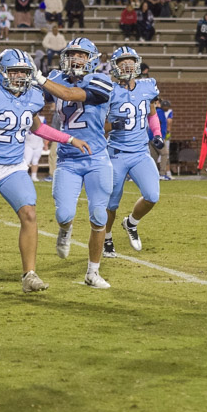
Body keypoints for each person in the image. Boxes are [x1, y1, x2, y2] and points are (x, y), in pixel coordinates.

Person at [0, 49, 89, 294]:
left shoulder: (33, 96)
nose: (19, 77)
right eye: (14, 71)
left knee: (29, 214)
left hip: (13, 167)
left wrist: (69, 139)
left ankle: (29, 275)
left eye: (23, 72)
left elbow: (38, 128)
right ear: (1, 72)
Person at [39, 38, 122, 288]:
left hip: (97, 158)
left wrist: (40, 78)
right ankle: (65, 230)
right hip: (68, 159)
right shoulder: (56, 77)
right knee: (64, 214)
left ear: (92, 59)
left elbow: (67, 94)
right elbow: (34, 101)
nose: (76, 59)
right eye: (72, 54)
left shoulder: (101, 81)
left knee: (98, 216)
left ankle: (92, 272)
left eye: (81, 55)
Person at [102, 47, 163, 257]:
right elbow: (98, 126)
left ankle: (131, 223)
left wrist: (157, 133)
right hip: (117, 152)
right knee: (111, 203)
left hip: (140, 152)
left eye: (130, 61)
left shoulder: (148, 86)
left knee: (152, 195)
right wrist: (112, 126)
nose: (127, 65)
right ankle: (107, 236)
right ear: (115, 66)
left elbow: (152, 114)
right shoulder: (108, 90)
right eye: (122, 62)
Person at [156, 99, 173, 180]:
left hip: (152, 137)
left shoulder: (158, 111)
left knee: (153, 156)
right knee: (165, 153)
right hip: (158, 137)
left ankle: (153, 174)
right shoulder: (159, 112)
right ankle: (162, 173)